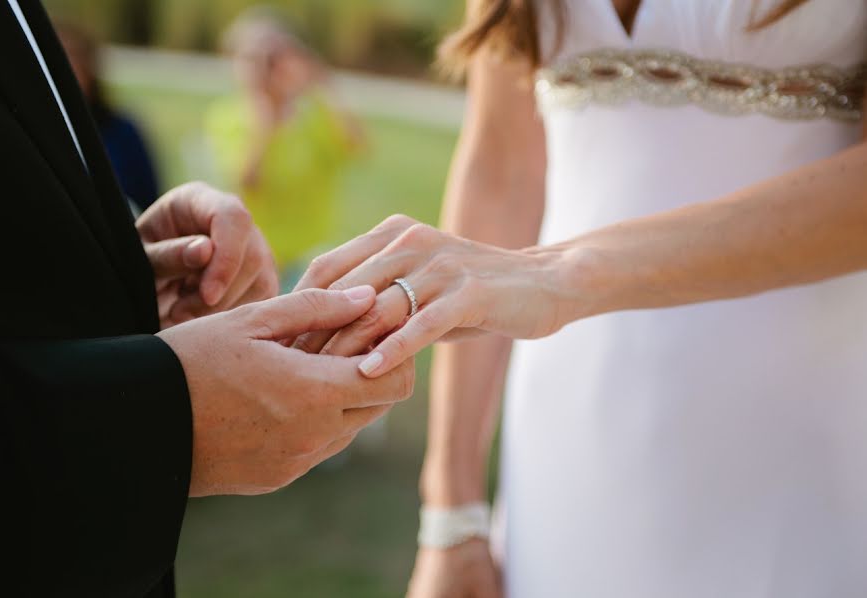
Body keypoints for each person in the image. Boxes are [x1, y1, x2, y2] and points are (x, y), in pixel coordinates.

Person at [290, 0, 867, 596]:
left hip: (796, 427)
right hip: (563, 433)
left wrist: (562, 274)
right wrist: (452, 506)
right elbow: (502, 168)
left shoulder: (557, 277)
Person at [0, 2, 414, 596]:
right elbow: (248, 174)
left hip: (294, 256)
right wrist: (166, 408)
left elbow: (357, 146)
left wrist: (121, 275)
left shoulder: (312, 115)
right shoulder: (236, 114)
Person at [205, 7, 362, 286]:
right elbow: (244, 182)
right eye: (254, 59)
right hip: (256, 258)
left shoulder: (314, 116)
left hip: (312, 256)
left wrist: (323, 86)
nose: (266, 70)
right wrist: (265, 124)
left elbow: (355, 148)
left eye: (276, 59)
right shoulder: (227, 118)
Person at [56, 20, 161, 213]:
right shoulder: (41, 134)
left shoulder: (123, 131)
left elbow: (151, 202)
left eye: (73, 58)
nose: (65, 70)